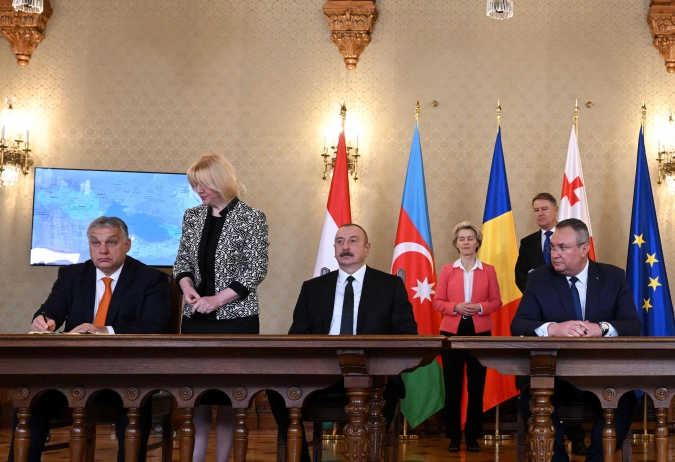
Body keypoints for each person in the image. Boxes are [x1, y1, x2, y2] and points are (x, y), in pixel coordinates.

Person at [11, 216, 170, 462]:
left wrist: (104, 330)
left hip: (126, 376)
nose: (103, 250)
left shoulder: (151, 279)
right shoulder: (72, 275)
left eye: (111, 242)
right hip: (74, 375)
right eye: (95, 243)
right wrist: (45, 321)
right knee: (31, 401)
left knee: (135, 407)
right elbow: (50, 311)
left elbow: (155, 326)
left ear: (127, 244)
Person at [266, 224, 417, 462]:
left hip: (373, 377)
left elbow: (408, 334)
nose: (345, 247)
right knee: (274, 390)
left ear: (367, 248)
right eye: (339, 242)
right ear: (334, 249)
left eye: (353, 241)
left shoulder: (389, 286)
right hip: (319, 375)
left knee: (389, 392)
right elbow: (297, 337)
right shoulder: (312, 288)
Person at [511, 218, 641, 462]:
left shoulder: (613, 277)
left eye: (563, 247)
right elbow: (519, 325)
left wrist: (601, 329)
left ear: (584, 249)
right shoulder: (539, 278)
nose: (555, 254)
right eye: (552, 247)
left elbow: (632, 325)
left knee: (624, 401)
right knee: (531, 402)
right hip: (553, 374)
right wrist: (553, 328)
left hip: (602, 374)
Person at [173, 153, 269, 462]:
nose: (198, 191)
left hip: (236, 321)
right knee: (197, 397)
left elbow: (255, 270)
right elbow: (182, 263)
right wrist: (188, 290)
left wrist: (217, 299)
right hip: (195, 321)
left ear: (220, 180)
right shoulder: (192, 216)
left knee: (230, 397)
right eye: (194, 185)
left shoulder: (252, 217)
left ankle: (222, 459)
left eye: (203, 184)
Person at [432, 222, 502, 453]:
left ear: (478, 242)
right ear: (455, 244)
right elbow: (437, 302)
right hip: (451, 333)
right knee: (452, 386)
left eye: (470, 238)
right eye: (461, 239)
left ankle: (473, 436)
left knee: (476, 386)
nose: (465, 242)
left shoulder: (489, 270)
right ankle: (453, 436)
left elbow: (496, 301)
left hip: (480, 333)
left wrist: (480, 308)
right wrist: (457, 307)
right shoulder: (446, 270)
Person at [514, 193, 558, 294]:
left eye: (544, 209)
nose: (540, 213)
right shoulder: (527, 242)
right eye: (536, 210)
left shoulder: (569, 236)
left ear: (555, 210)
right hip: (538, 299)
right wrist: (534, 296)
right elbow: (520, 275)